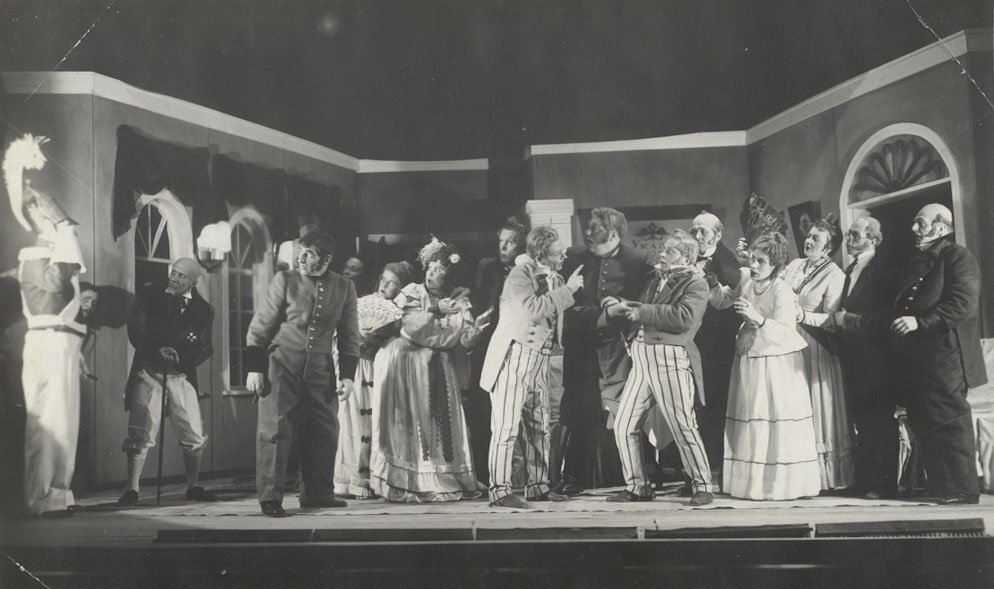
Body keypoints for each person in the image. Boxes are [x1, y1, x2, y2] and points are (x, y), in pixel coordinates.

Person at [246, 230, 360, 517]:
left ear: (326, 259)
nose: (301, 257)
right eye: (301, 251)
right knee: (275, 430)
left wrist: (347, 376)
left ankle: (318, 494)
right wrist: (255, 369)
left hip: (320, 369)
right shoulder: (284, 280)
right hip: (280, 365)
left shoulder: (344, 287)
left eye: (309, 253)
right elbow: (260, 327)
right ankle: (270, 498)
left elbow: (350, 336)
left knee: (324, 430)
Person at [370, 238, 488, 502]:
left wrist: (475, 331)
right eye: (430, 268)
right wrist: (435, 308)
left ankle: (442, 477)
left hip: (441, 366)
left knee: (440, 425)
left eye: (439, 270)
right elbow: (404, 323)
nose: (431, 273)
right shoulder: (412, 291)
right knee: (413, 424)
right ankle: (409, 481)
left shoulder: (460, 300)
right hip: (409, 364)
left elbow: (464, 338)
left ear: (449, 275)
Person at [887, 203, 986, 505]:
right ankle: (943, 486)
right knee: (925, 419)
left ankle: (962, 489)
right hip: (922, 358)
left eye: (920, 222)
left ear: (941, 227)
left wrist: (920, 322)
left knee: (949, 419)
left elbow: (962, 303)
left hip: (947, 355)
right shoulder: (922, 260)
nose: (914, 228)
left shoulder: (957, 256)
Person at [609, 230, 715, 506]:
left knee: (682, 425)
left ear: (687, 258)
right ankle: (637, 487)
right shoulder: (655, 277)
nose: (663, 254)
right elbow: (645, 308)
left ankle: (703, 485)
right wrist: (628, 312)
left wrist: (643, 311)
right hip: (642, 358)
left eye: (671, 251)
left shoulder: (697, 283)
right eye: (664, 249)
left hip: (669, 359)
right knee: (623, 425)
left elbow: (684, 318)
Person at [712, 232, 821, 500]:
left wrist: (758, 319)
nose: (753, 265)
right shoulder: (747, 279)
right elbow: (724, 300)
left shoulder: (781, 290)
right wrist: (713, 285)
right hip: (750, 357)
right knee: (751, 418)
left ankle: (776, 486)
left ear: (775, 265)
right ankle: (751, 485)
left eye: (761, 261)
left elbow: (786, 331)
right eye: (752, 259)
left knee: (771, 420)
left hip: (775, 365)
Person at [480, 226, 581, 508]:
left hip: (539, 357)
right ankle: (500, 491)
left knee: (540, 425)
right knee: (506, 427)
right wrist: (569, 290)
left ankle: (538, 486)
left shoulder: (555, 276)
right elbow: (533, 309)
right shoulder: (519, 274)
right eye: (557, 252)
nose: (563, 256)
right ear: (541, 254)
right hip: (514, 355)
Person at [556, 207, 652, 496]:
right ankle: (571, 478)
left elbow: (644, 303)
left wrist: (623, 304)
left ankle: (629, 479)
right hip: (581, 349)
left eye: (594, 228)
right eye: (588, 226)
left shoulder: (637, 260)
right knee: (578, 412)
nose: (587, 232)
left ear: (612, 233)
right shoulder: (572, 258)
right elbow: (566, 308)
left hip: (618, 351)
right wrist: (603, 314)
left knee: (624, 414)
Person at [118, 258, 216, 506]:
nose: (174, 278)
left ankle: (193, 486)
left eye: (182, 276)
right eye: (173, 272)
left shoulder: (204, 310)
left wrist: (181, 357)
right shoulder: (150, 295)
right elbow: (136, 327)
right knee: (141, 429)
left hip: (182, 376)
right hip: (149, 371)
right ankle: (132, 489)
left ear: (193, 282)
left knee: (192, 431)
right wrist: (157, 349)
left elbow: (205, 347)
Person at [19, 215, 87, 517]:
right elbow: (57, 283)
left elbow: (67, 308)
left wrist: (78, 353)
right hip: (48, 345)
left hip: (63, 347)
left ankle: (58, 494)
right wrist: (64, 234)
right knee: (48, 423)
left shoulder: (55, 262)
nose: (71, 236)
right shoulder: (35, 260)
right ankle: (41, 497)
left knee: (65, 425)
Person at [781, 218, 856, 492]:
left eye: (816, 239)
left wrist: (801, 315)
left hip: (815, 348)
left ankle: (823, 477)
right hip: (787, 345)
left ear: (828, 248)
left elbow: (832, 320)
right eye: (809, 235)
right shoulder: (794, 266)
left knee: (814, 408)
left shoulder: (835, 275)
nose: (809, 241)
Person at [833, 215, 899, 499]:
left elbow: (884, 318)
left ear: (873, 240)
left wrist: (848, 320)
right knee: (861, 420)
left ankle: (884, 485)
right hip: (854, 357)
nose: (849, 240)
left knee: (879, 421)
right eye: (848, 234)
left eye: (855, 235)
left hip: (876, 359)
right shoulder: (850, 268)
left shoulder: (883, 271)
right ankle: (864, 481)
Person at [334, 261, 413, 499]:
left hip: (383, 371)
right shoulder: (361, 303)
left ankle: (376, 478)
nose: (384, 285)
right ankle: (353, 479)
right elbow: (341, 334)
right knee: (354, 422)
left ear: (400, 288)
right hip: (358, 368)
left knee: (377, 424)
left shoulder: (399, 314)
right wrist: (358, 337)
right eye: (383, 279)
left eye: (392, 283)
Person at [468, 217, 528, 486]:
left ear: (521, 246)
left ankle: (517, 477)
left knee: (512, 415)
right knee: (481, 410)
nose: (502, 247)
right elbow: (478, 301)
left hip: (516, 348)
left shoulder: (527, 270)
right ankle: (485, 476)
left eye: (509, 243)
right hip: (486, 346)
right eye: (500, 241)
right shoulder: (487, 267)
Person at [688, 212, 742, 479]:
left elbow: (729, 302)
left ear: (718, 235)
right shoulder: (689, 255)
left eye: (703, 232)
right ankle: (696, 468)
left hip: (717, 346)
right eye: (694, 231)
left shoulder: (728, 262)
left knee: (713, 403)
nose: (697, 236)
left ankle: (715, 467)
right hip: (692, 341)